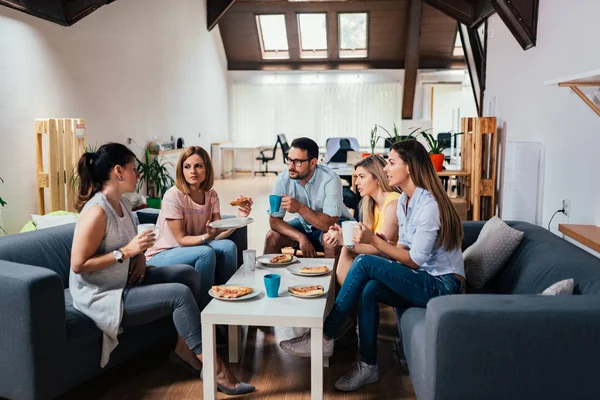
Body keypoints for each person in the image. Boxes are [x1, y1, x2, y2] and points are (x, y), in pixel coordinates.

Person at [280, 140, 465, 392]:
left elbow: (413, 260)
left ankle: (325, 335)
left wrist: (372, 242)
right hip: (423, 277)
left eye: (391, 162)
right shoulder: (405, 202)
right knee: (369, 289)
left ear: (409, 167)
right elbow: (405, 249)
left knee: (366, 262)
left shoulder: (429, 206)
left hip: (443, 286)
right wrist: (378, 240)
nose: (386, 168)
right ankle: (369, 366)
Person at [69, 143, 253, 395]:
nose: (138, 174)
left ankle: (184, 346)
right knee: (179, 294)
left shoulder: (123, 204)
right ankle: (216, 369)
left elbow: (133, 246)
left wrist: (140, 257)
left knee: (188, 275)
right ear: (118, 172)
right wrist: (127, 252)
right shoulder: (97, 211)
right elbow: (78, 265)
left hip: (126, 279)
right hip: (104, 293)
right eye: (134, 169)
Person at [146, 146, 252, 308]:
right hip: (163, 253)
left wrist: (240, 217)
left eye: (198, 166)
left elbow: (216, 233)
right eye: (187, 167)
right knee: (206, 252)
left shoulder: (211, 195)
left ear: (207, 169)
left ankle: (230, 300)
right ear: (181, 170)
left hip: (195, 245)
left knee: (228, 246)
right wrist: (206, 237)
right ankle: (205, 309)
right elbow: (181, 240)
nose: (192, 171)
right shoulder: (173, 195)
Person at [263, 137, 353, 258]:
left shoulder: (330, 179)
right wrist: (300, 237)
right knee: (272, 236)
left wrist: (300, 208)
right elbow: (274, 221)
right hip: (304, 224)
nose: (291, 166)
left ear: (313, 162)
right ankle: (271, 276)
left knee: (331, 240)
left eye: (297, 161)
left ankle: (332, 277)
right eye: (289, 160)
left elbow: (328, 224)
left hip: (334, 225)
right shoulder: (282, 179)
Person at [322, 155, 400, 286]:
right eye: (357, 177)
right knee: (347, 248)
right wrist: (341, 234)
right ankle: (340, 295)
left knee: (348, 249)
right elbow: (368, 242)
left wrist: (345, 241)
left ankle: (341, 297)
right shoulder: (369, 204)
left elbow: (382, 249)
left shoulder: (393, 203)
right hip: (378, 259)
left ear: (378, 178)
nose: (357, 182)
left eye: (362, 177)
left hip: (395, 262)